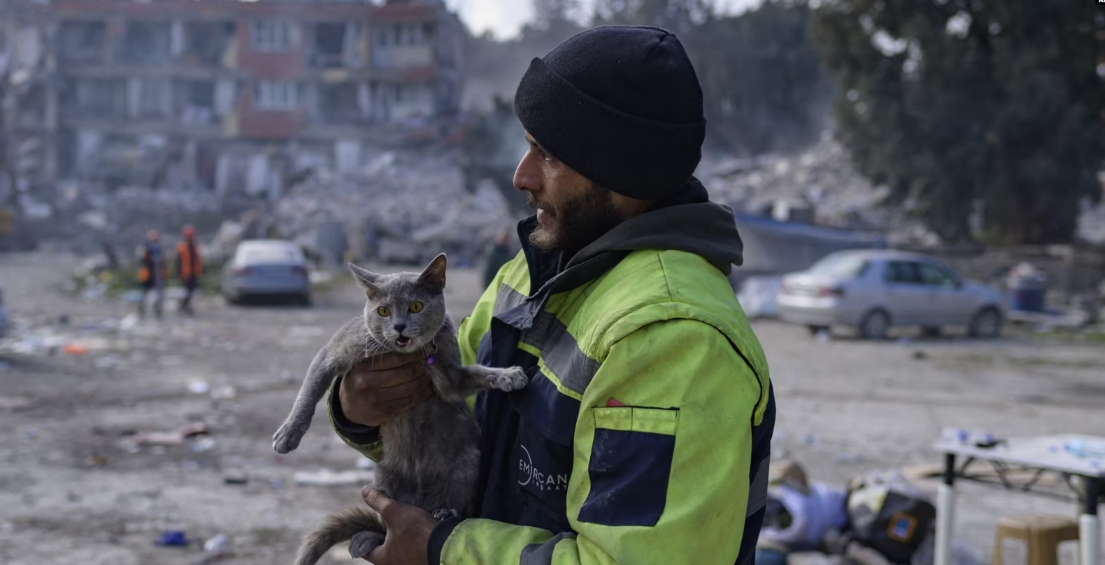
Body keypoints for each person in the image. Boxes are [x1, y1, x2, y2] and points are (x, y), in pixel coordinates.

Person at [328, 26, 776, 565]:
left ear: (623, 170)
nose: (522, 176)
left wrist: (442, 549)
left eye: (549, 154)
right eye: (527, 146)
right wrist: (360, 409)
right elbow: (450, 410)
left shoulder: (673, 334)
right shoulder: (540, 268)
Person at [137, 229, 167, 319]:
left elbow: (163, 263)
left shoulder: (159, 249)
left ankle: (158, 310)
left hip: (157, 275)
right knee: (145, 293)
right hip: (148, 275)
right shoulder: (145, 249)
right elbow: (142, 261)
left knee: (159, 294)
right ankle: (141, 309)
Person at [175, 224, 203, 315]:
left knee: (191, 290)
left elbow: (198, 260)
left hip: (193, 272)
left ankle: (185, 305)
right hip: (185, 273)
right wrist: (178, 273)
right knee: (185, 290)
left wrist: (201, 270)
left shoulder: (194, 246)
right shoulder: (182, 246)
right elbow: (178, 261)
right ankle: (183, 305)